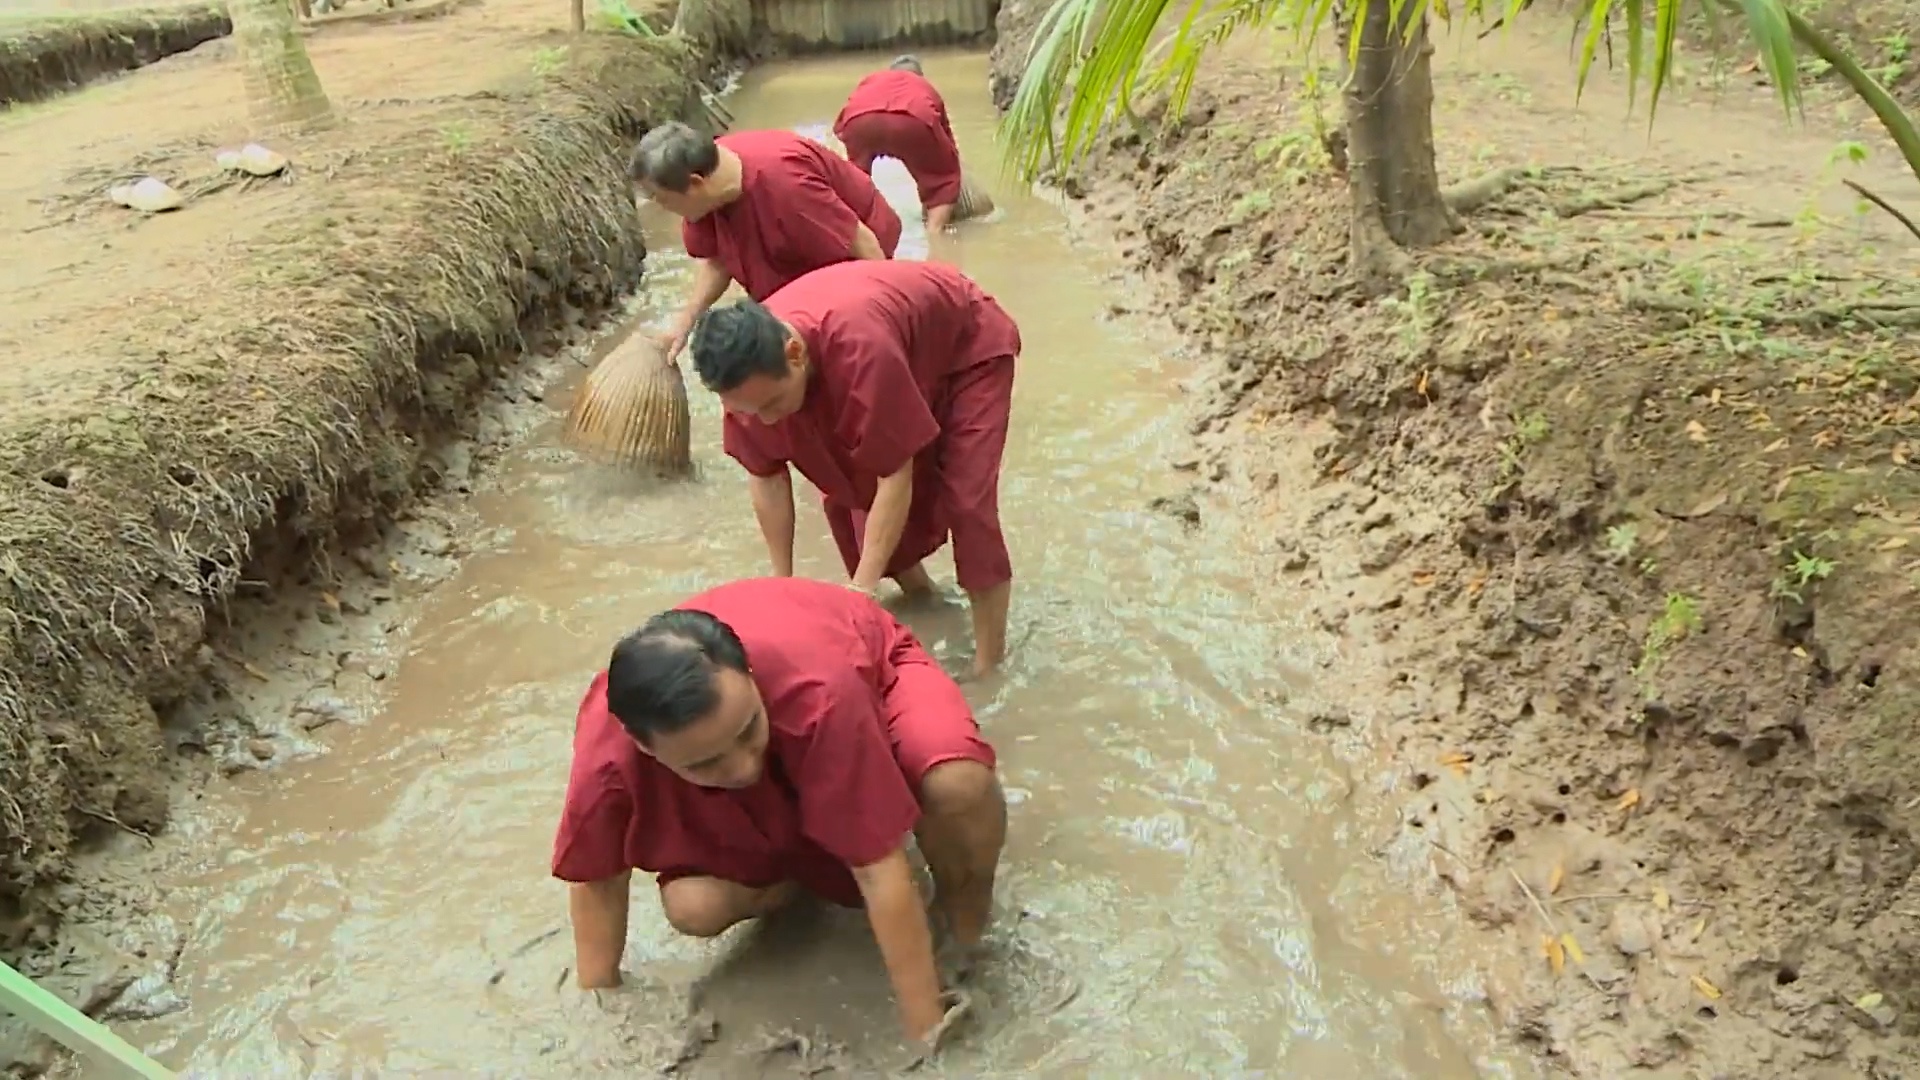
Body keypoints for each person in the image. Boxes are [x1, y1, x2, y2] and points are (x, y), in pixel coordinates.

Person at [551, 577, 1007, 1048]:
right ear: (642, 745)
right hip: (779, 722)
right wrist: (600, 1016)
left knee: (954, 782)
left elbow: (877, 868)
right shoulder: (605, 757)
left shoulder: (820, 690)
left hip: (869, 663)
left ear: (749, 674)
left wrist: (928, 1028)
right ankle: (800, 880)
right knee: (694, 906)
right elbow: (597, 880)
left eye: (748, 730)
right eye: (706, 762)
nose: (744, 767)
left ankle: (966, 915)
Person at [688, 260, 1018, 677]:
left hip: (966, 349)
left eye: (772, 405)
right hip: (896, 350)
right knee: (848, 486)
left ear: (794, 354)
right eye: (750, 411)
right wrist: (782, 584)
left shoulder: (859, 348)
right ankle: (926, 600)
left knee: (968, 503)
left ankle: (989, 665)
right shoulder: (745, 384)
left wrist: (862, 589)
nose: (766, 421)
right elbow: (766, 475)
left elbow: (896, 474)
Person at [629, 122, 904, 359]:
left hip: (856, 255)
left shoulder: (789, 186)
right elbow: (718, 259)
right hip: (788, 262)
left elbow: (862, 242)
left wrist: (892, 321)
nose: (665, 209)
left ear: (696, 183)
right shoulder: (707, 191)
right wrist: (685, 322)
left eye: (663, 200)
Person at [833, 55, 967, 235]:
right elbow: (946, 140)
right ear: (920, 76)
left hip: (859, 120)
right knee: (944, 180)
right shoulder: (924, 87)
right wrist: (951, 175)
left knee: (857, 182)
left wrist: (863, 152)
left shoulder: (873, 80)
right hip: (913, 118)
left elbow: (841, 126)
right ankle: (935, 236)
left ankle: (862, 233)